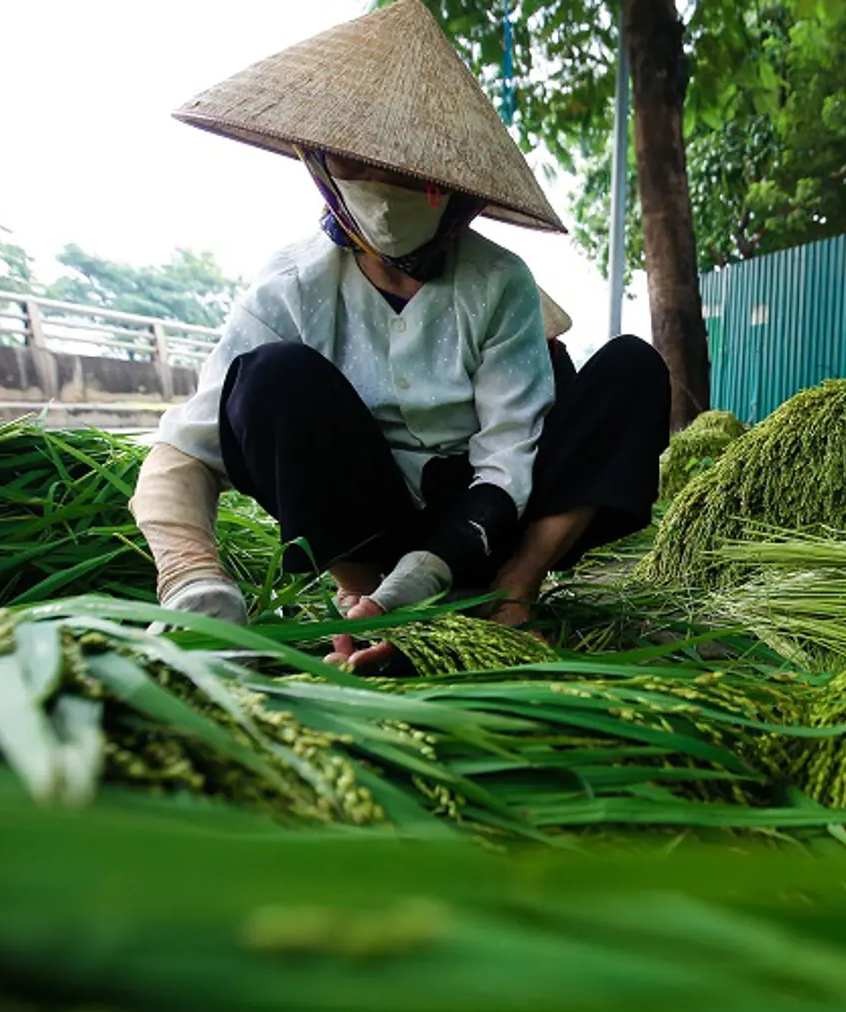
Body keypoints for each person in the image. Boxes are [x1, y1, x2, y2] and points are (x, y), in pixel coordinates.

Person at [130, 1, 669, 671]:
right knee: (271, 376)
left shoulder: (499, 282)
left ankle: (511, 594)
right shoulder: (292, 288)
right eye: (361, 167)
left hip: (490, 522)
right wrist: (190, 575)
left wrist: (438, 568)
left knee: (631, 367)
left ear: (457, 190)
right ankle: (365, 606)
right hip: (367, 524)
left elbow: (508, 459)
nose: (385, 193)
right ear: (322, 167)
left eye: (412, 177)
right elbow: (186, 449)